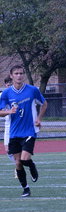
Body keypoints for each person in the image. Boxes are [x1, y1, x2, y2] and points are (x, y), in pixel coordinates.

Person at [0, 65, 48, 197]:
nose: (19, 76)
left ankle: (32, 166)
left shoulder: (32, 90)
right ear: (11, 76)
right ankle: (26, 188)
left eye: (21, 73)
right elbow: (0, 112)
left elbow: (44, 104)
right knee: (18, 163)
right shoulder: (6, 93)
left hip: (29, 131)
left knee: (25, 159)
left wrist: (39, 119)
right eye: (16, 73)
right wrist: (9, 111)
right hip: (14, 132)